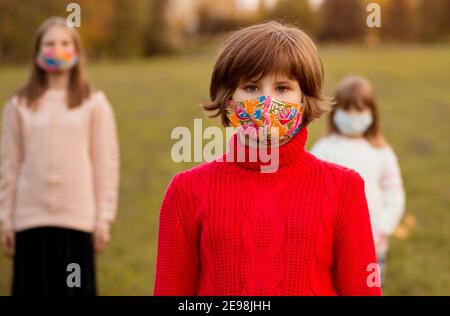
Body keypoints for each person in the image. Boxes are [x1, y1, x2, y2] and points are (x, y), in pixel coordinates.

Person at [154, 22, 381, 296]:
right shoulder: (186, 191)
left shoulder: (345, 188)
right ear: (229, 98)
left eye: (283, 88)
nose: (266, 102)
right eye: (251, 87)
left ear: (303, 98)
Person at [0, 17, 120, 295]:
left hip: (77, 223)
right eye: (50, 44)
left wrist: (103, 217)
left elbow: (105, 164)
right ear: (38, 52)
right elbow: (9, 166)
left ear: (77, 51)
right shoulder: (19, 104)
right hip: (29, 222)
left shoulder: (94, 103)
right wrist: (6, 217)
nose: (58, 49)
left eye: (65, 43)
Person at [310, 75, 406, 285]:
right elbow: (312, 195)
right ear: (335, 113)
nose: (353, 116)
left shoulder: (382, 152)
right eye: (347, 109)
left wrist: (382, 228)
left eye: (360, 110)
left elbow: (395, 195)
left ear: (372, 113)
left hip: (373, 246)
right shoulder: (324, 149)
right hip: (330, 244)